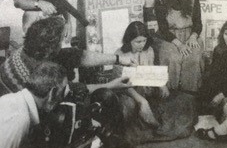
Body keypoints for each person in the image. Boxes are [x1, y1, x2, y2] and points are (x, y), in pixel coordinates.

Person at [0, 16, 134, 96]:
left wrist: (118, 59)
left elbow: (76, 55)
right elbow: (70, 90)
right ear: (50, 48)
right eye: (62, 39)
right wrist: (111, 85)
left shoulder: (30, 48)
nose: (65, 42)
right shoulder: (38, 73)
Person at [0, 61, 68, 148]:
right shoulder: (20, 119)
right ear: (52, 93)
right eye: (62, 92)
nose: (61, 98)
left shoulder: (11, 99)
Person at [154, 0, 203, 92]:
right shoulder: (160, 1)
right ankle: (171, 91)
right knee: (173, 58)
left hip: (190, 34)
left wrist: (193, 37)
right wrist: (179, 45)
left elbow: (198, 23)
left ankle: (190, 92)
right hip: (169, 37)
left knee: (193, 58)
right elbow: (163, 29)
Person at [114, 21, 169, 127]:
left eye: (144, 40)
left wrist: (162, 83)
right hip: (127, 91)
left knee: (165, 100)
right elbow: (121, 85)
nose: (142, 44)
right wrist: (141, 100)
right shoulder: (119, 54)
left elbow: (151, 69)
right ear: (129, 40)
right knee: (129, 109)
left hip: (145, 89)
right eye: (137, 42)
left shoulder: (148, 50)